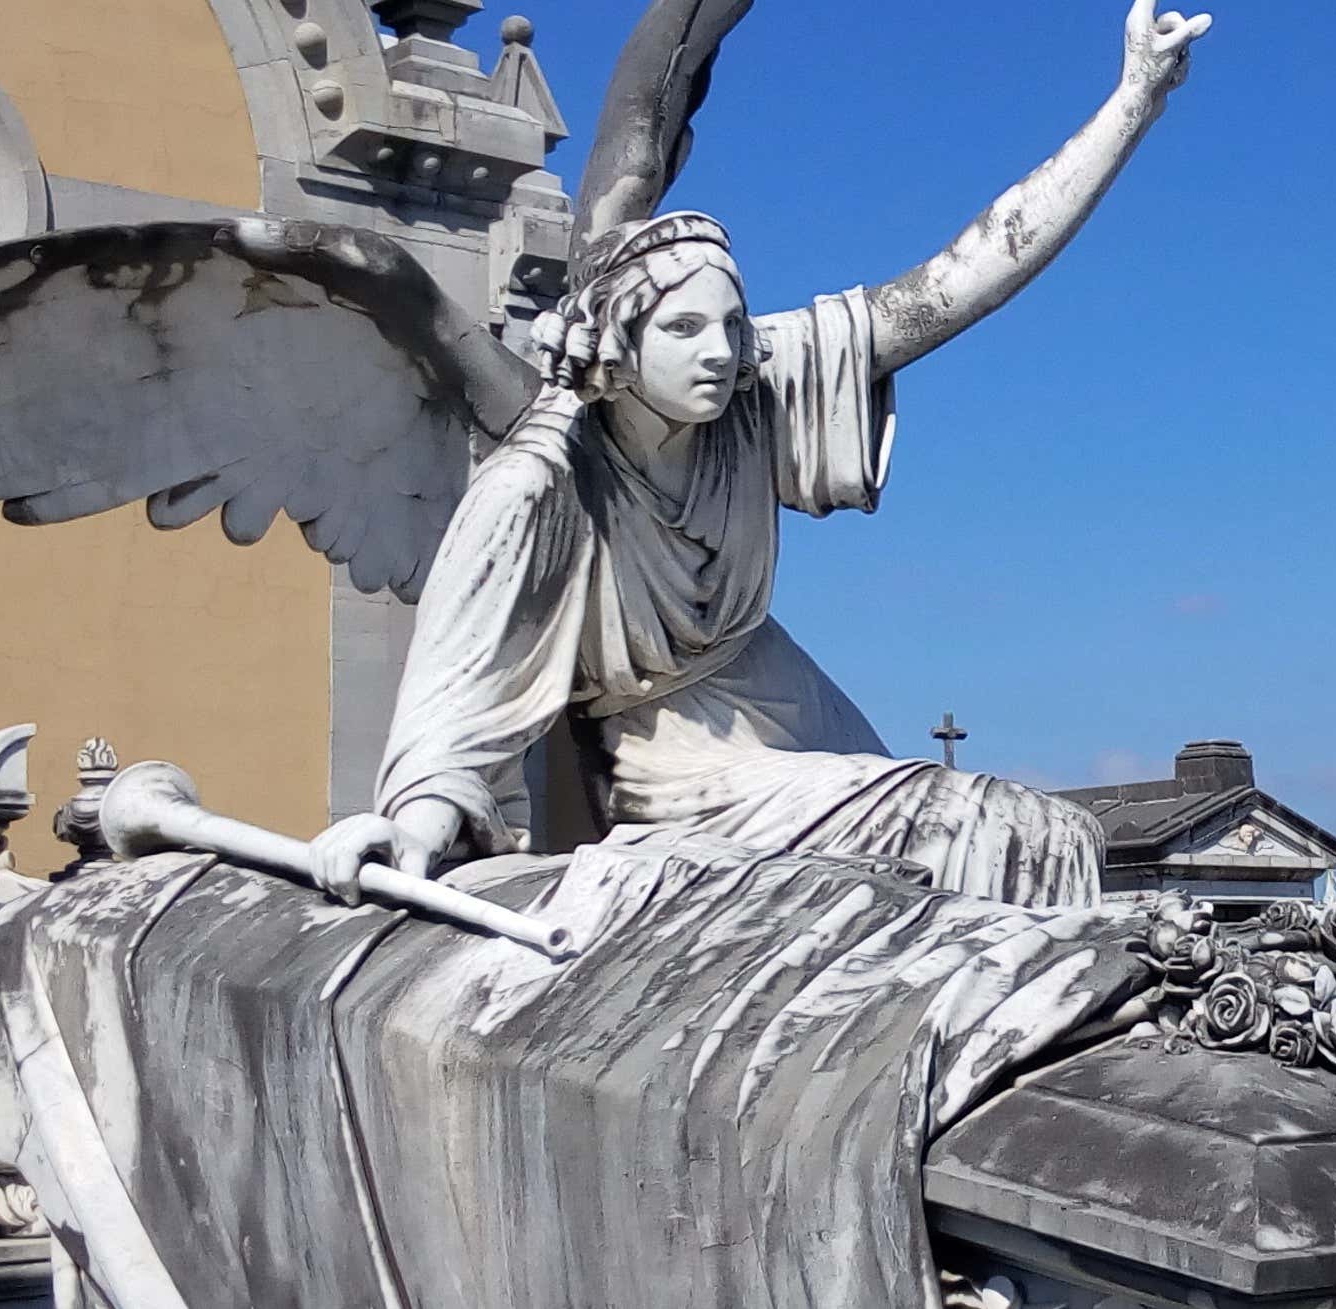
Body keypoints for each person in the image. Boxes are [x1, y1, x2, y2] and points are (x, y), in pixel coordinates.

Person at [311, 3, 1219, 911]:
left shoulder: (747, 389)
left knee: (1035, 843)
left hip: (788, 701)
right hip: (674, 762)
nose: (716, 349)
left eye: (729, 324)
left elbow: (967, 275)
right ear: (616, 345)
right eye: (682, 327)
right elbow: (455, 699)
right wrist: (415, 825)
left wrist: (1133, 101)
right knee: (1012, 833)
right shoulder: (538, 486)